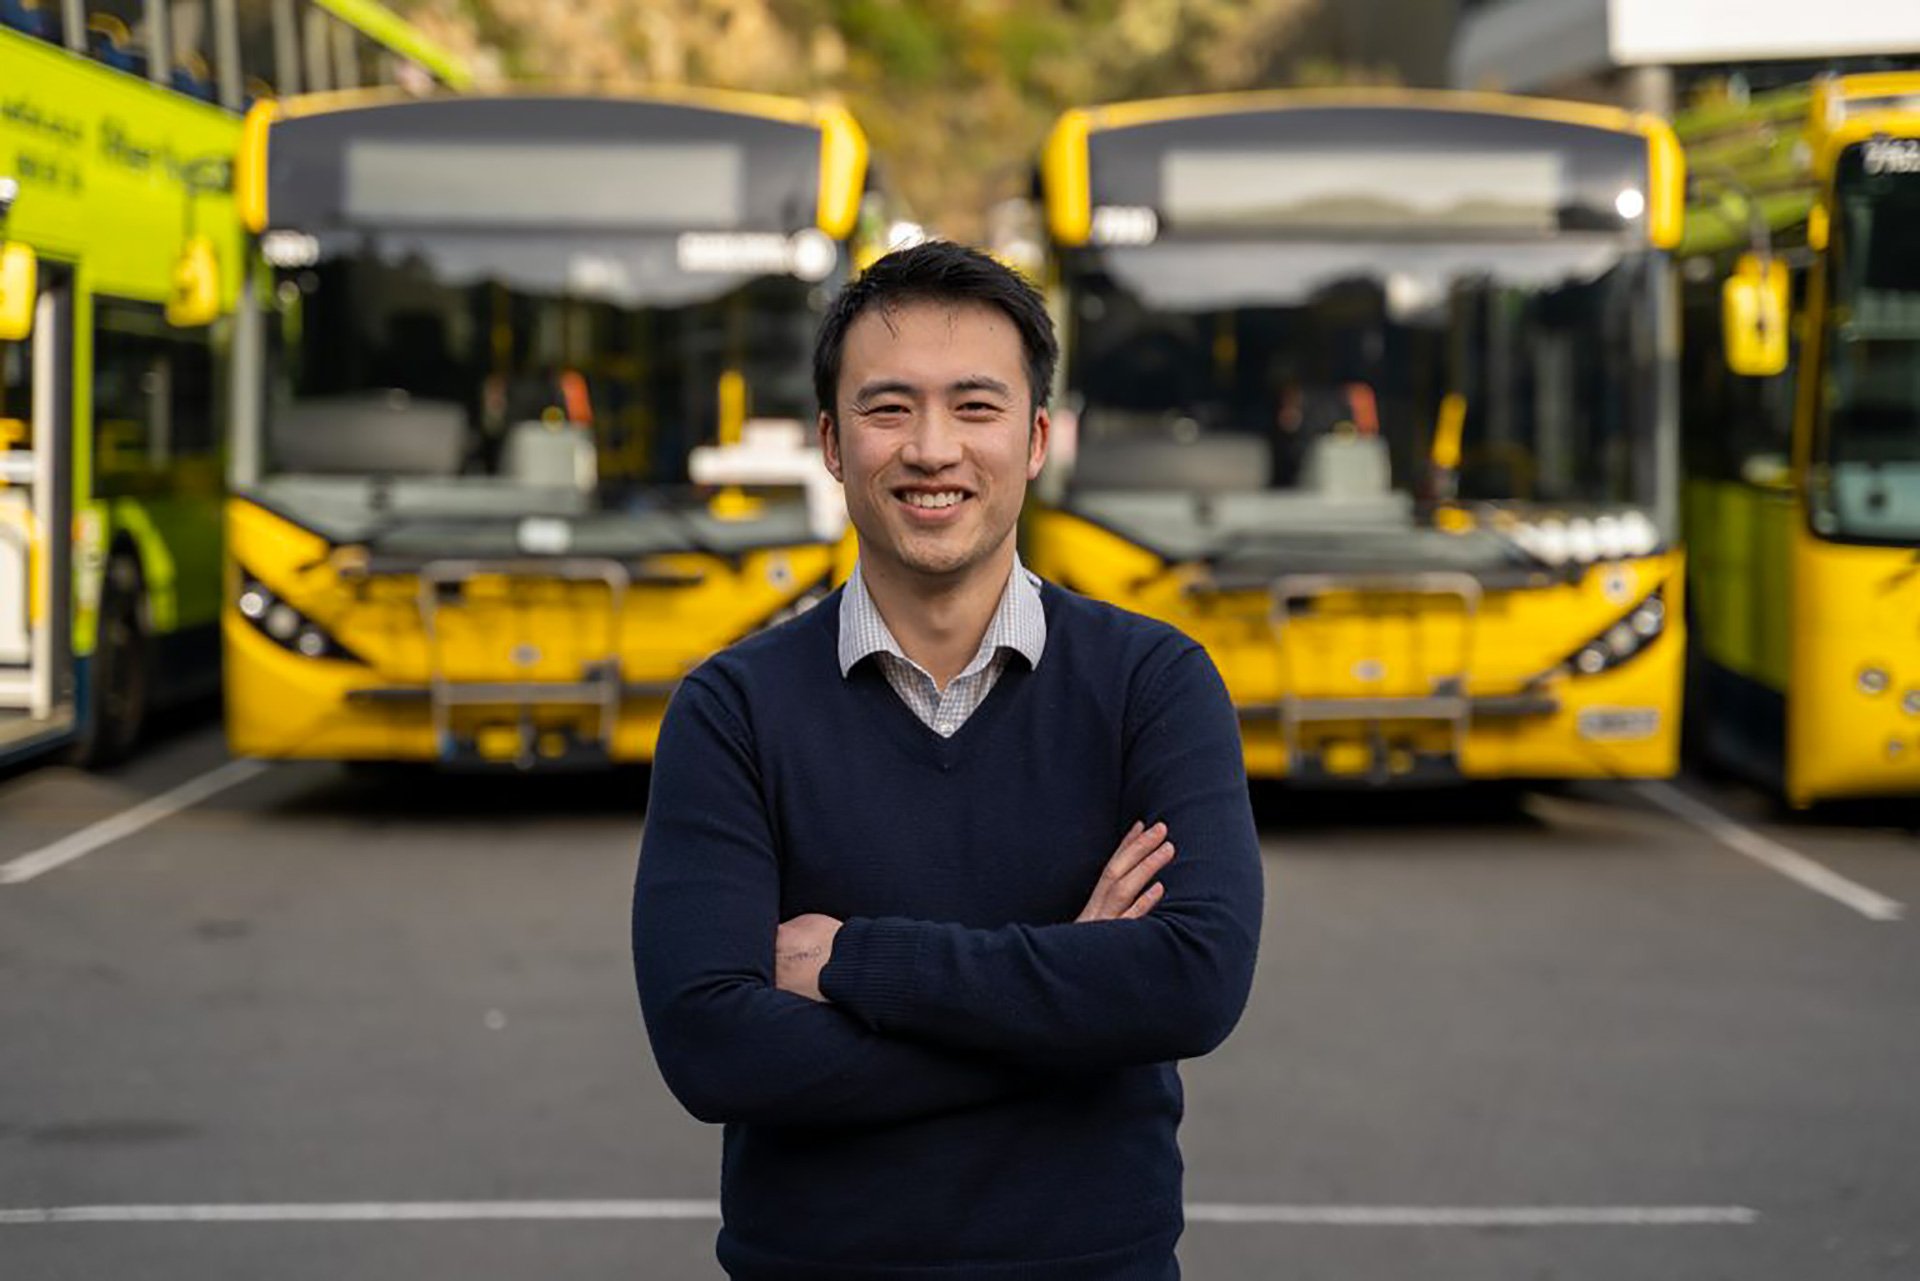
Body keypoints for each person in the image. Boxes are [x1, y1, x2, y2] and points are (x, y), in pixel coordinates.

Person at [632, 240, 1263, 1279]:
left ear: (1037, 437)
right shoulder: (733, 711)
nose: (933, 449)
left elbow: (1191, 983)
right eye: (889, 409)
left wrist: (858, 963)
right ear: (832, 443)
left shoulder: (1152, 685)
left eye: (976, 407)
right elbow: (714, 1049)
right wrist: (1070, 1011)